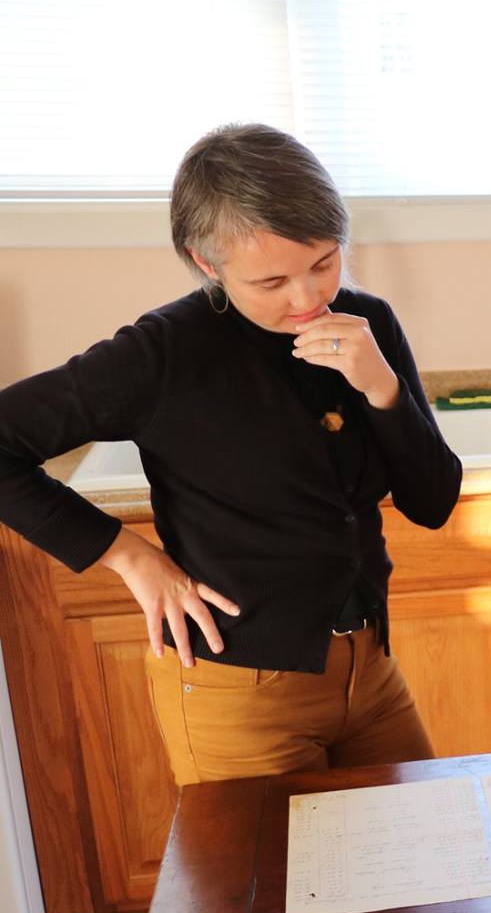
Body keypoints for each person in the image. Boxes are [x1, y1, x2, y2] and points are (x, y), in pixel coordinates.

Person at [0, 123, 461, 783]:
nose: (308, 299)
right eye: (272, 281)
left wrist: (382, 389)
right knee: (260, 860)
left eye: (324, 263)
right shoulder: (163, 353)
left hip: (371, 673)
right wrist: (129, 557)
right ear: (208, 263)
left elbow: (433, 502)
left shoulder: (369, 325)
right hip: (237, 692)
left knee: (424, 844)